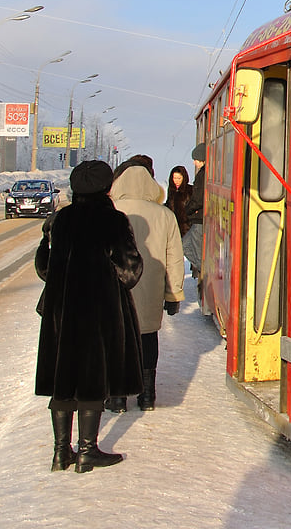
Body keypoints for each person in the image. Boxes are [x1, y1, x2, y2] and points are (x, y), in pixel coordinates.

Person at [35, 160, 142, 473]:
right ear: (105, 188)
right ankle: (87, 451)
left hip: (62, 311)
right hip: (99, 311)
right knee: (93, 377)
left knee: (63, 378)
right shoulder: (113, 221)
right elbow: (129, 272)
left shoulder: (61, 220)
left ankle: (59, 453)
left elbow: (44, 268)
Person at [111, 163, 185, 412]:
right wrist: (174, 293)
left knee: (117, 338)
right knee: (148, 337)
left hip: (117, 287)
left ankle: (118, 396)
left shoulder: (112, 210)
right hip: (150, 288)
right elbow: (174, 257)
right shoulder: (165, 215)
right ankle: (147, 395)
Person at [181, 143, 206, 293]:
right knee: (185, 245)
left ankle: (205, 272)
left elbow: (198, 199)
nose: (194, 162)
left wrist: (187, 210)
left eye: (196, 159)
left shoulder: (203, 175)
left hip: (199, 219)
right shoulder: (203, 173)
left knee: (189, 247)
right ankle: (203, 270)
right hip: (198, 218)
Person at [165, 165, 193, 236]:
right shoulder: (171, 190)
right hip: (172, 226)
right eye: (174, 178)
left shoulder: (190, 190)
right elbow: (169, 204)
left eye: (179, 178)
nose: (176, 181)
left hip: (186, 228)